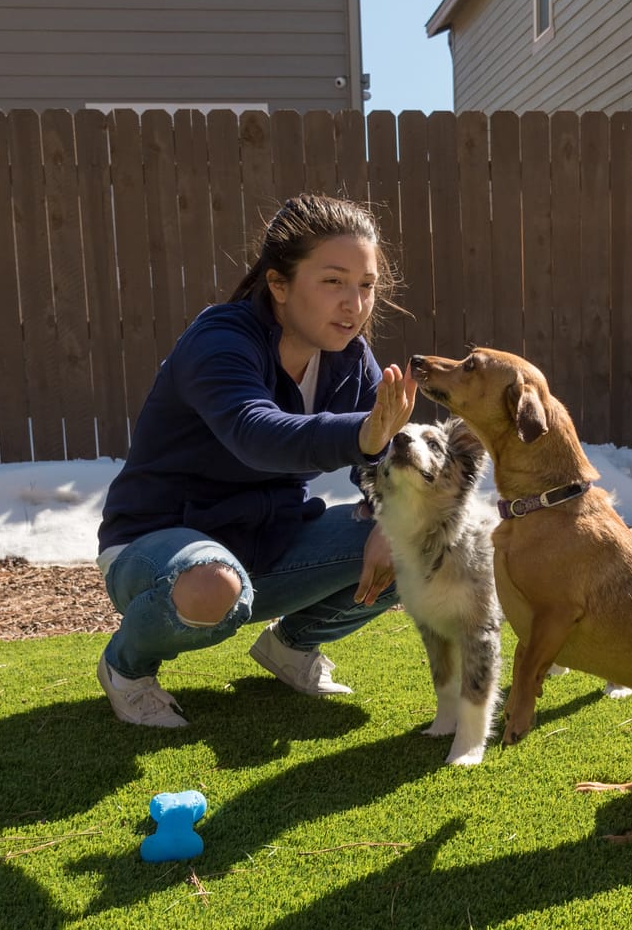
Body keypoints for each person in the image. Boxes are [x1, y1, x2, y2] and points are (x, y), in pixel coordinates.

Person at [93, 193, 417, 727]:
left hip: (267, 540)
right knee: (212, 584)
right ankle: (126, 667)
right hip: (157, 546)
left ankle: (291, 648)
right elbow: (255, 432)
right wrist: (363, 434)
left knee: (419, 539)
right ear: (279, 284)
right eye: (333, 281)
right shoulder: (220, 340)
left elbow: (379, 465)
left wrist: (390, 512)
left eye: (366, 285)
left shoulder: (351, 360)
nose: (354, 304)